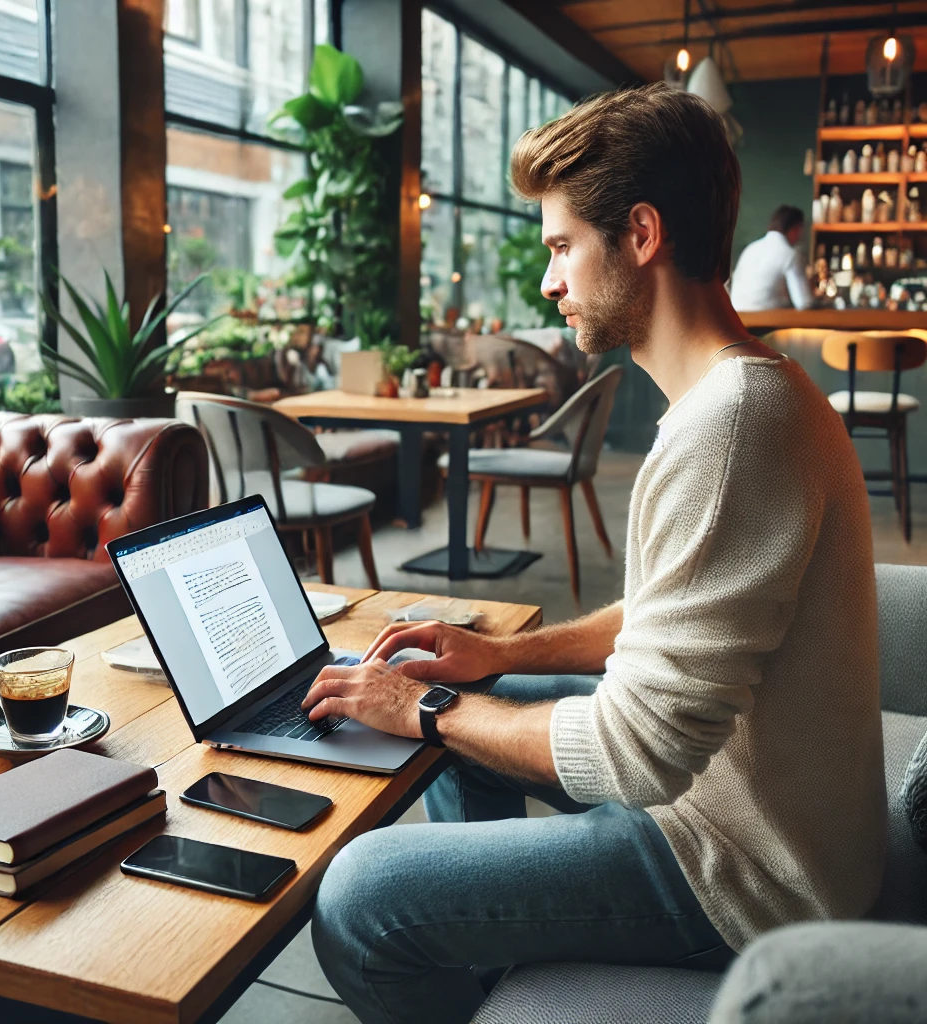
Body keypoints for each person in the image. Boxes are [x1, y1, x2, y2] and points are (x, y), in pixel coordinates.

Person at [302, 83, 886, 1024]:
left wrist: (428, 706)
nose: (549, 281)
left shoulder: (734, 426)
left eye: (561, 246)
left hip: (750, 872)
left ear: (642, 235)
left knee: (359, 898)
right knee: (458, 728)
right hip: (724, 803)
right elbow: (672, 617)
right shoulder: (734, 395)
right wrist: (496, 658)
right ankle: (503, 969)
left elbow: (637, 755)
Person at [729, 205, 814, 311]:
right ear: (795, 228)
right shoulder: (790, 254)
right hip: (769, 323)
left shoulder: (750, 249)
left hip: (738, 319)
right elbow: (804, 303)